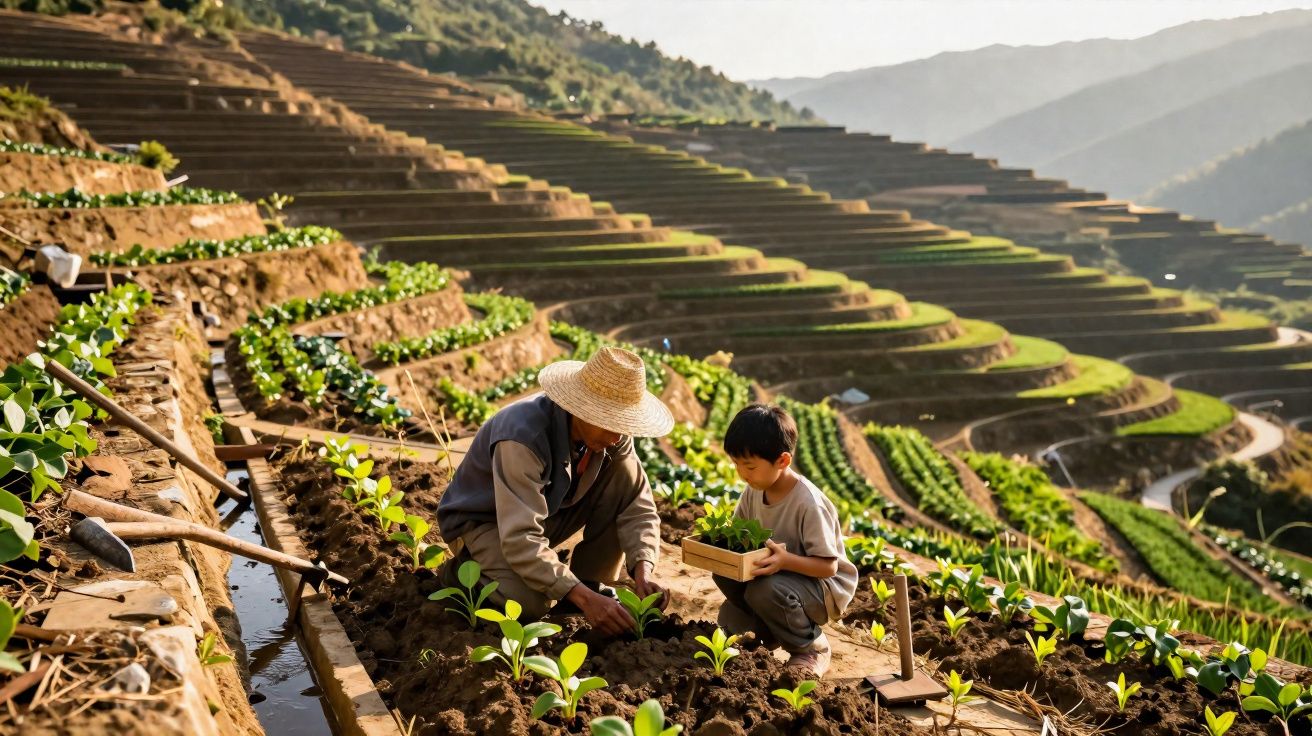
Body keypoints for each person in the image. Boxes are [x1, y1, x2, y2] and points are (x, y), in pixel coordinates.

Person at [437, 346, 674, 636]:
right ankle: (461, 574)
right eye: (610, 423)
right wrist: (580, 596)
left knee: (623, 474)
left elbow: (637, 503)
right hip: (487, 523)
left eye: (623, 426)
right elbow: (520, 536)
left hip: (539, 516)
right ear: (582, 408)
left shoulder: (614, 436)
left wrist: (643, 569)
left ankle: (589, 584)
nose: (616, 436)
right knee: (528, 603)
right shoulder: (522, 436)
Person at [712, 403, 858, 677]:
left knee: (763, 591)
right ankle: (766, 628)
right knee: (724, 572)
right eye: (737, 465)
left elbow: (829, 567)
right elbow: (740, 536)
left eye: (750, 466)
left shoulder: (808, 503)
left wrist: (784, 561)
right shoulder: (754, 490)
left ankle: (809, 646)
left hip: (822, 587)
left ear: (782, 461)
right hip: (779, 576)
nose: (742, 474)